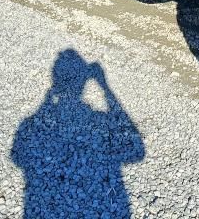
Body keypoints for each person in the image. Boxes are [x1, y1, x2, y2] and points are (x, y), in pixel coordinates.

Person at [12, 50, 145, 218]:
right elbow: (137, 151)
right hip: (109, 198)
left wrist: (46, 103)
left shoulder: (30, 123)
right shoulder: (99, 121)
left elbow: (18, 157)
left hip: (47, 206)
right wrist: (105, 88)